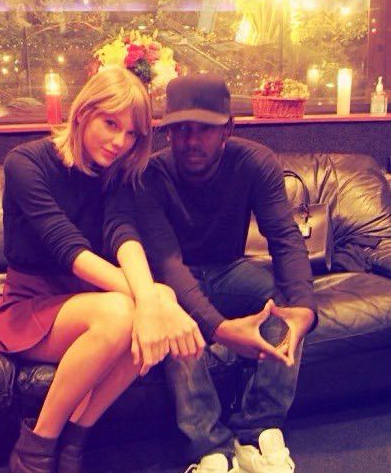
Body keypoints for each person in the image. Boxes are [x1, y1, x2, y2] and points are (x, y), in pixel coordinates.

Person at [0, 67, 204, 473]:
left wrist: (155, 297)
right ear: (82, 113)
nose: (120, 142)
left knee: (148, 303)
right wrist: (152, 299)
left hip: (89, 297)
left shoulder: (117, 171)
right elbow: (68, 248)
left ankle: (76, 437)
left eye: (131, 134)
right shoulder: (25, 163)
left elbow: (122, 232)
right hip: (31, 304)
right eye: (111, 124)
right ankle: (36, 446)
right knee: (130, 308)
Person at [122, 74, 317, 473]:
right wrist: (220, 329)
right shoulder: (148, 175)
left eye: (205, 129)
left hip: (231, 270)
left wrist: (304, 309)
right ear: (167, 132)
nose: (192, 141)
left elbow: (284, 236)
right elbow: (168, 264)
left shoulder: (256, 162)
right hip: (173, 282)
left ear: (228, 128)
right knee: (173, 317)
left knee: (286, 304)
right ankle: (210, 447)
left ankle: (257, 429)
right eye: (181, 129)